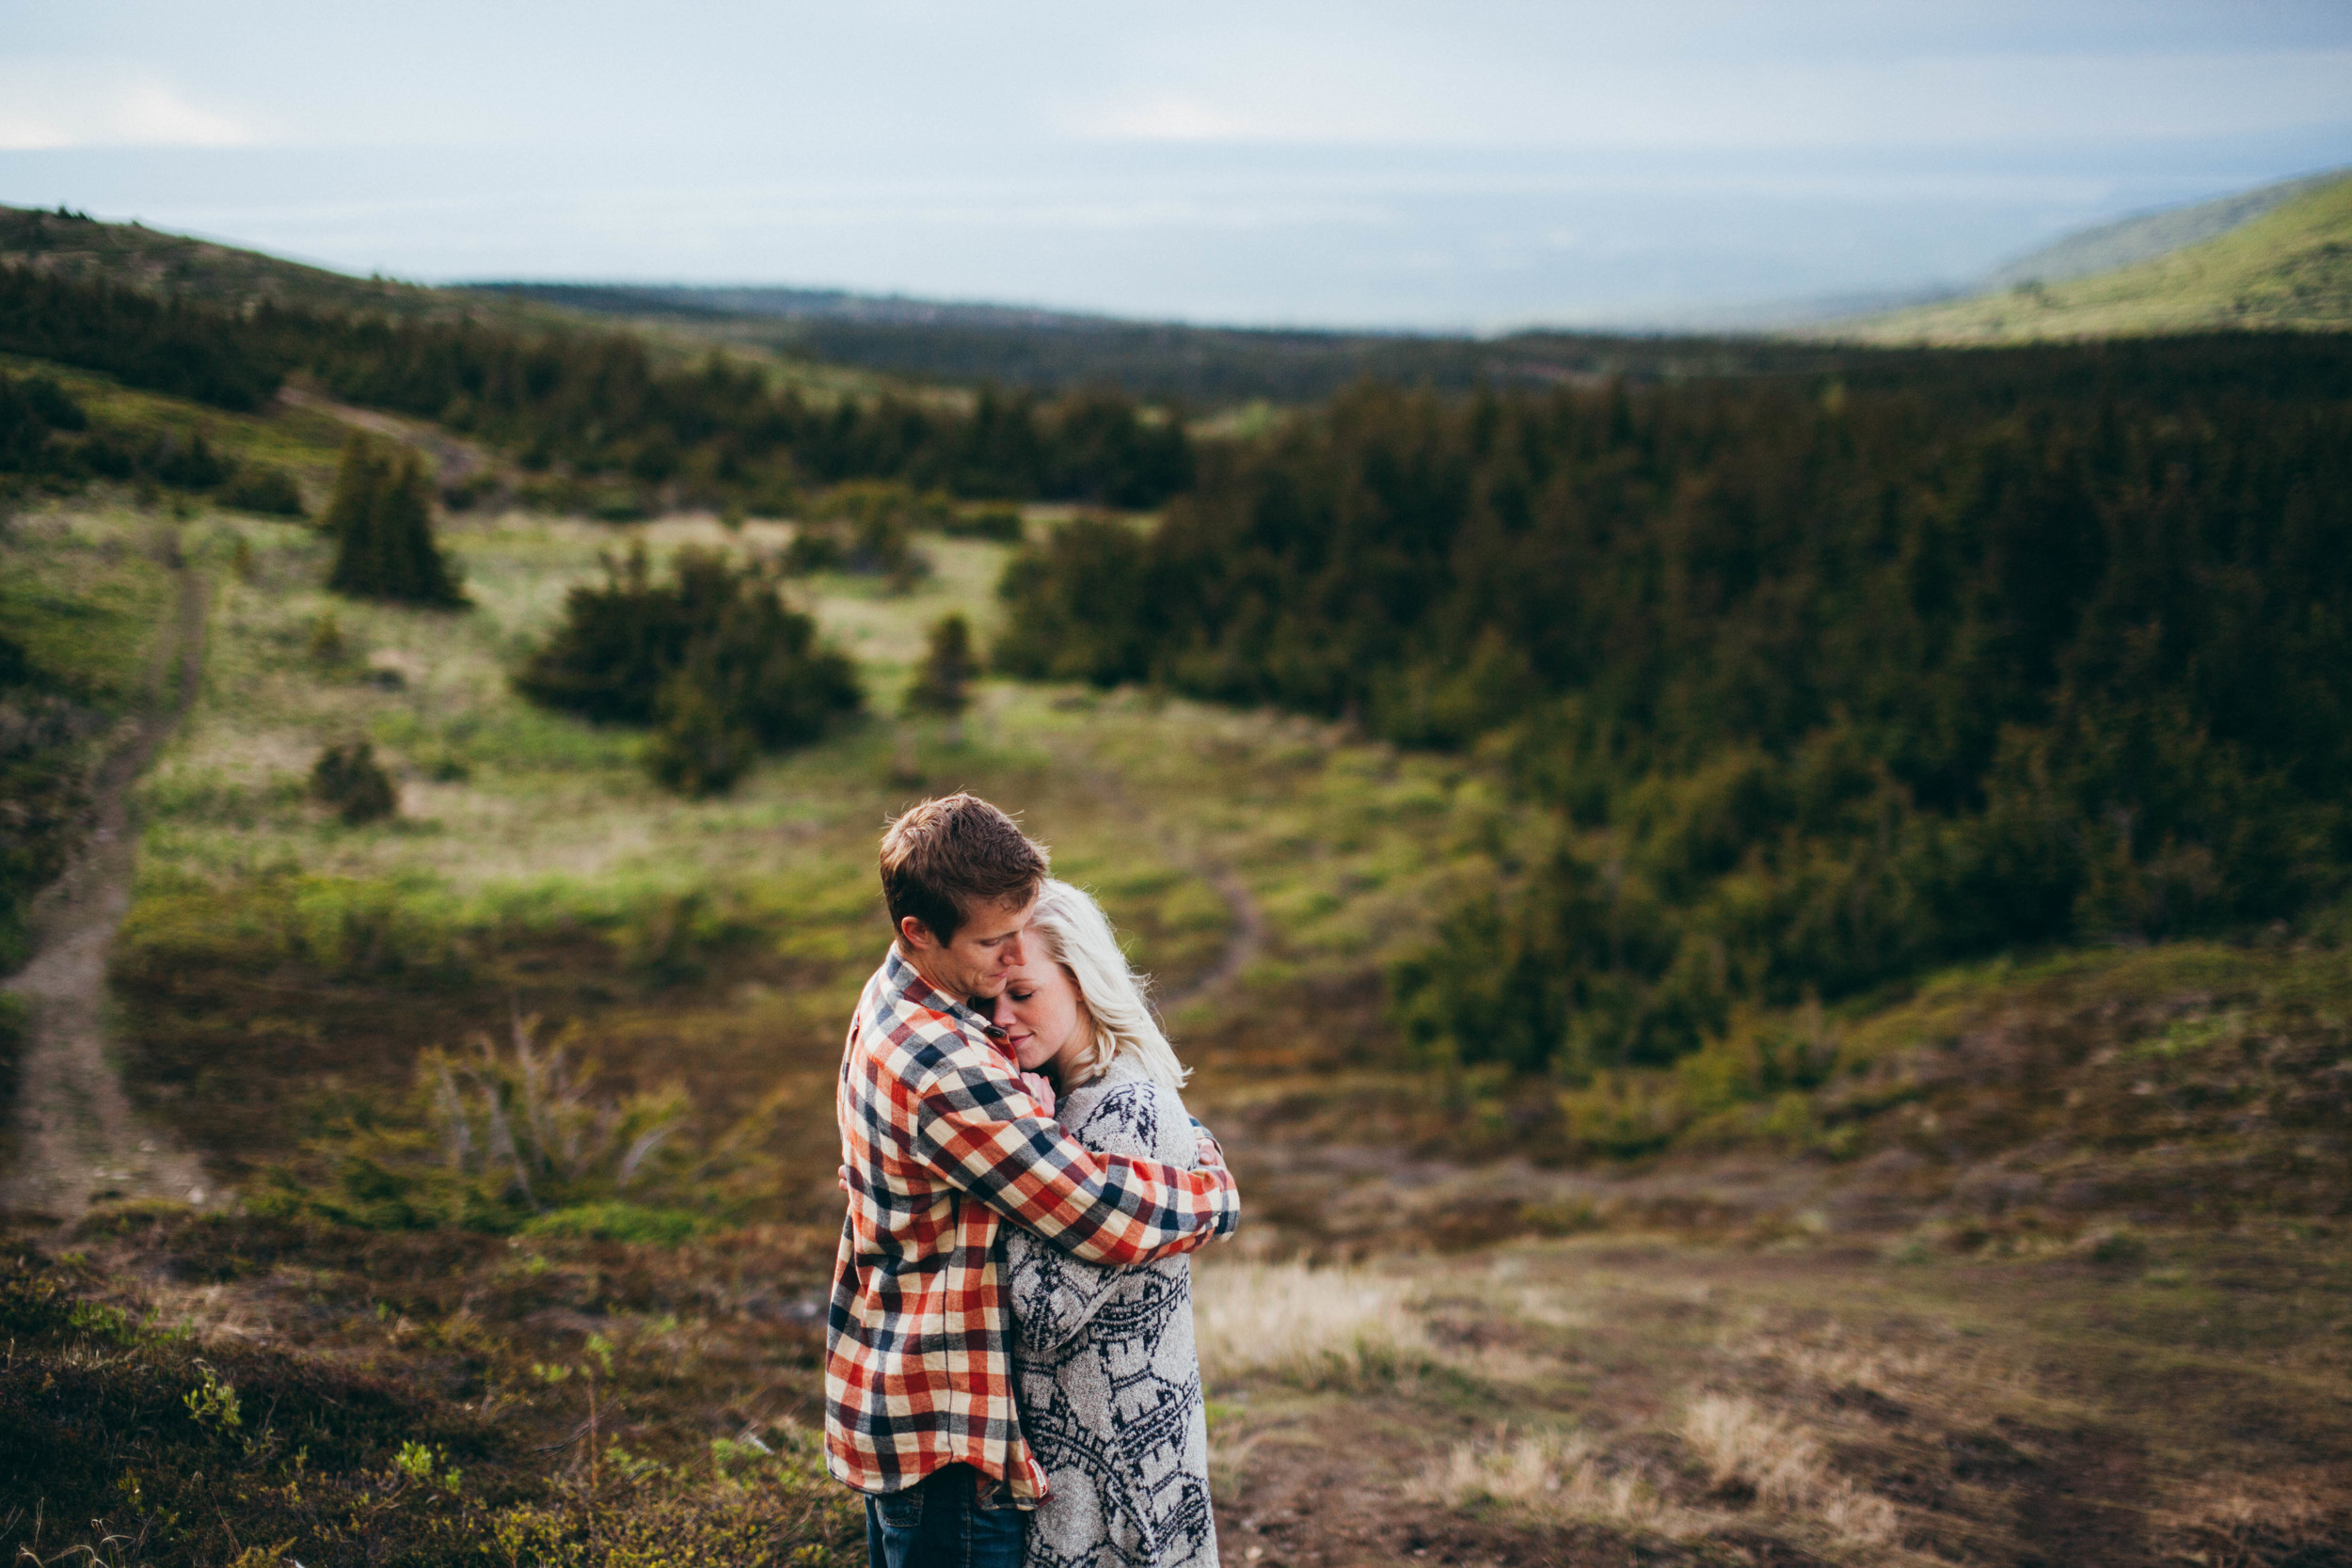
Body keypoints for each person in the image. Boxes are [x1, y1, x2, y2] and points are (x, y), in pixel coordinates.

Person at [828, 795, 1240, 1568]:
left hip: (913, 1410)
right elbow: (1092, 1211)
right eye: (994, 943)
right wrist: (1211, 1192)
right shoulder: (943, 1063)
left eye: (1023, 939)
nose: (1011, 959)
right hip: (950, 1436)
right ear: (919, 932)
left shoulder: (896, 991)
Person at [995, 880, 1221, 1568]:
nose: (1001, 1017)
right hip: (1092, 1464)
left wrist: (1021, 1137)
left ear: (1082, 980)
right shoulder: (1075, 1100)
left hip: (1118, 1477)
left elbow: (1041, 1310)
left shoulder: (1123, 1112)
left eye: (1023, 993)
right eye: (989, 1000)